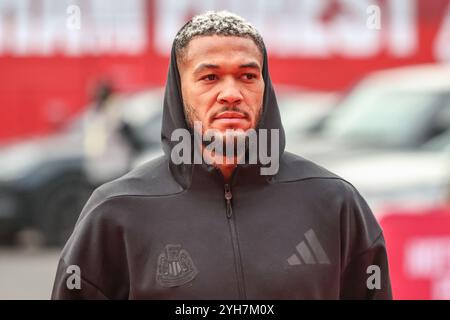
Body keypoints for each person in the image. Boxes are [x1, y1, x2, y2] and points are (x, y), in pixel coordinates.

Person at [52, 11, 392, 299]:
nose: (230, 93)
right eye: (210, 77)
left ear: (264, 85)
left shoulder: (334, 203)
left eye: (247, 76)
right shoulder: (116, 211)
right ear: (179, 89)